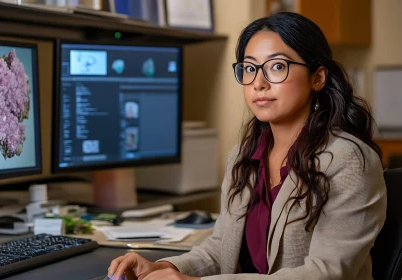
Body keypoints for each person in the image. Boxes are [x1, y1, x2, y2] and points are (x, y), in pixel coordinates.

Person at [106, 12, 387, 280]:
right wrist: (161, 267)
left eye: (277, 66)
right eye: (250, 68)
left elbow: (328, 273)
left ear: (317, 78)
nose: (259, 83)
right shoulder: (244, 156)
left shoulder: (349, 159)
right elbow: (220, 249)